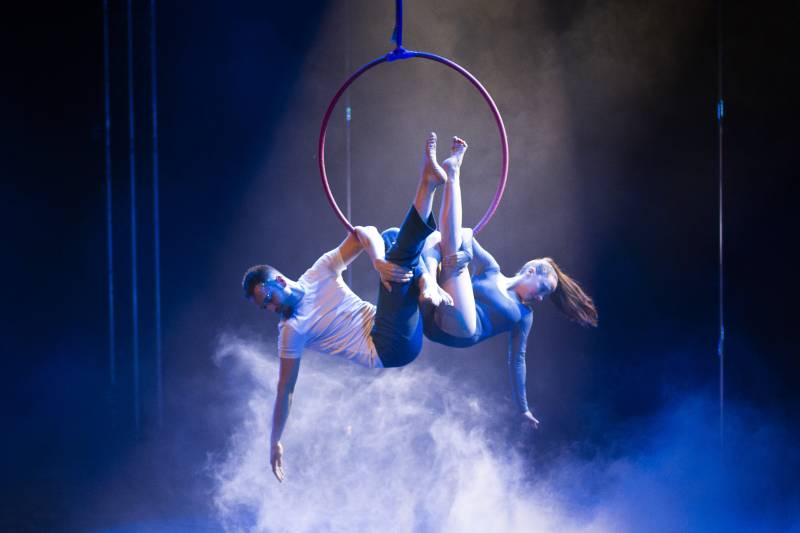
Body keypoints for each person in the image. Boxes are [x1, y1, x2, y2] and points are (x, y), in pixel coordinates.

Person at [242, 133, 449, 482]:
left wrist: (377, 262)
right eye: (264, 308)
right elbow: (285, 389)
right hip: (389, 347)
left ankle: (426, 279)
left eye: (267, 300)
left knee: (386, 236)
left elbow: (361, 231)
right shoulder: (291, 331)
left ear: (277, 282)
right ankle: (427, 187)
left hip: (397, 324)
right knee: (395, 253)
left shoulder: (319, 272)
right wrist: (275, 441)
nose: (270, 309)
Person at [412, 136, 599, 431]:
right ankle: (451, 174)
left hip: (461, 328)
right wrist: (467, 253)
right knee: (455, 239)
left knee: (457, 246)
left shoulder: (523, 316)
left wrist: (523, 408)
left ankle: (452, 175)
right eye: (543, 289)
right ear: (530, 271)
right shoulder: (492, 270)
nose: (540, 298)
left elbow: (517, 361)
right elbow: (468, 235)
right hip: (437, 310)